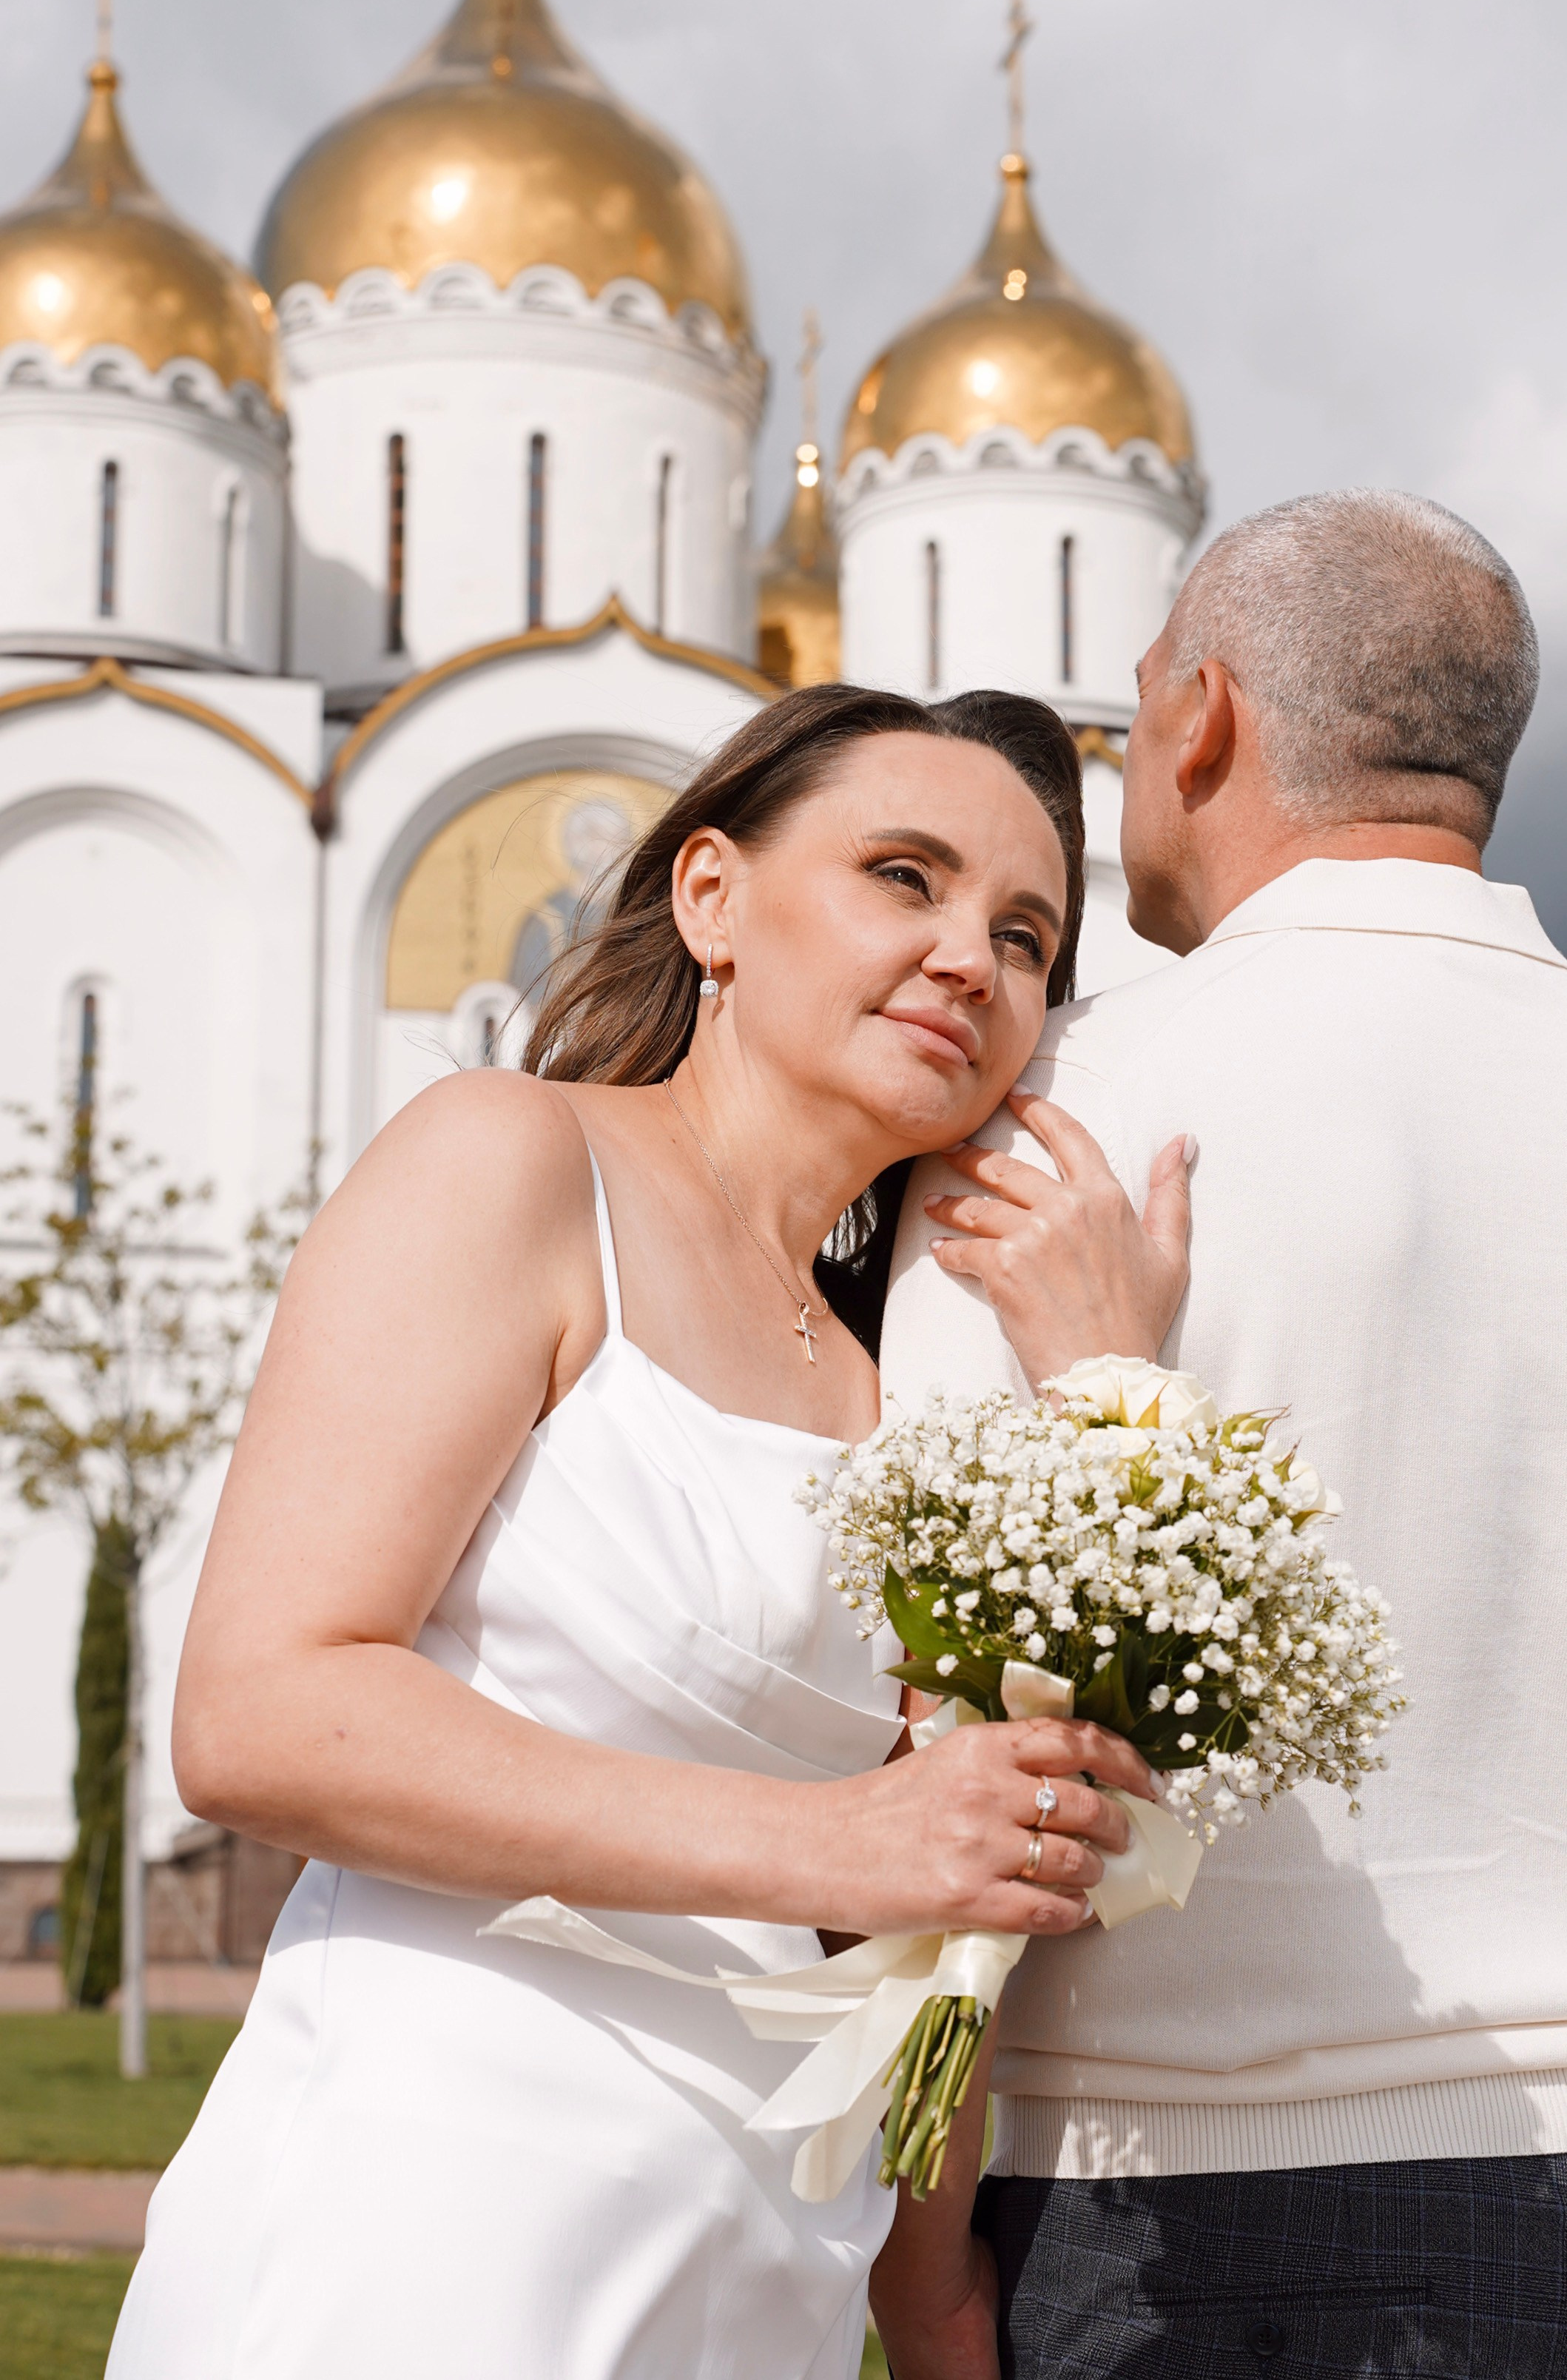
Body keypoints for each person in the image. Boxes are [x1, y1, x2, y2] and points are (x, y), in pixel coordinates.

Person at [106, 682, 1189, 2380]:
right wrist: (831, 1842)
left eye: (1028, 930)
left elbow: (947, 1893)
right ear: (712, 898)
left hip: (766, 2252)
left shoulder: (901, 1374)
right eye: (903, 874)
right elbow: (258, 1710)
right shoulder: (511, 1161)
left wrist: (936, 2300)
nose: (974, 956)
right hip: (440, 2206)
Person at [874, 488, 1567, 2380]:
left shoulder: (1063, 1117)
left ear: (1200, 721)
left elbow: (931, 1725)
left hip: (1190, 2205)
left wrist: (923, 2265)